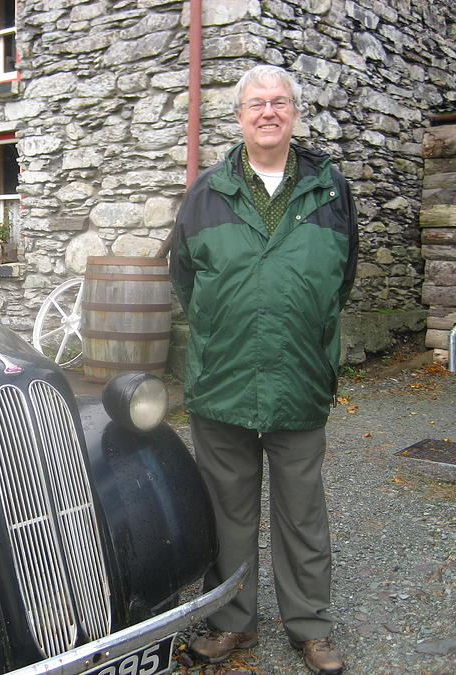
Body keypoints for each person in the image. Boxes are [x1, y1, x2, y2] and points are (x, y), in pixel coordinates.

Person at [169, 64, 358, 675]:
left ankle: (310, 626)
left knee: (303, 509)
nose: (268, 112)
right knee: (227, 509)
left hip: (300, 378)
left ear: (295, 113)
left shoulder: (330, 190)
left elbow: (342, 278)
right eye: (256, 104)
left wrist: (308, 328)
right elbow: (184, 277)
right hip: (223, 380)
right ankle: (231, 620)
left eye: (280, 102)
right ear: (240, 116)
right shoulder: (206, 192)